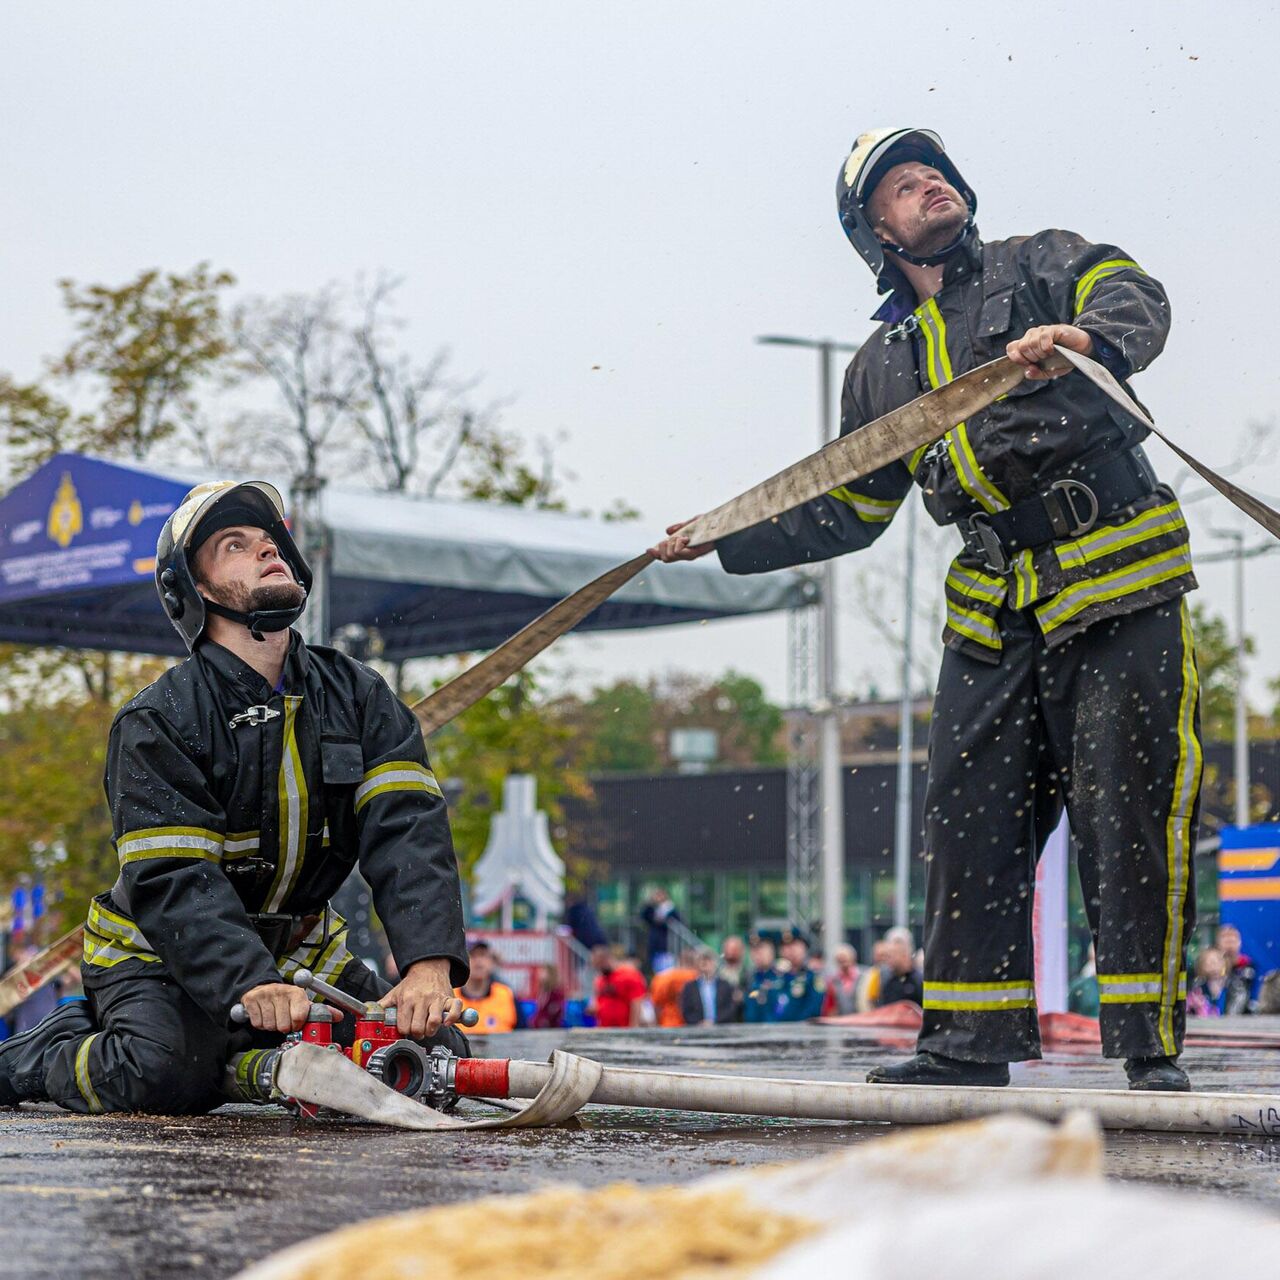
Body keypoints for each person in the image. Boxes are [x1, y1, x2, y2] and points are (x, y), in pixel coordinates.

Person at [652, 127, 1200, 1093]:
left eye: (933, 172)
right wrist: (726, 534)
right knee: (969, 819)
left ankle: (1147, 1047)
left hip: (1118, 578)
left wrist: (1087, 338)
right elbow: (849, 509)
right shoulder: (877, 368)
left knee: (1126, 812)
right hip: (991, 612)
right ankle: (967, 1045)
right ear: (874, 235)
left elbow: (1136, 296)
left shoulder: (1044, 263)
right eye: (903, 187)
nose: (928, 186)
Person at [0, 480, 470, 1115]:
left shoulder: (360, 697)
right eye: (235, 545)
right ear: (194, 591)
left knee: (436, 1058)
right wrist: (251, 983)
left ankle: (230, 1053)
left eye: (271, 541)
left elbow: (408, 831)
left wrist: (427, 967)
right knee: (165, 1074)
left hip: (299, 957)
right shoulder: (159, 720)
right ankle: (48, 1050)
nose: (268, 550)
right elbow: (174, 879)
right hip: (158, 953)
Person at [455, 941, 518, 1034]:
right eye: (473, 956)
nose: (478, 961)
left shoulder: (506, 994)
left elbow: (522, 1032)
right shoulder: (451, 996)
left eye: (483, 955)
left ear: (492, 962)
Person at [588, 945, 647, 1028]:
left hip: (623, 1028)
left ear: (606, 960)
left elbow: (636, 1002)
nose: (598, 969)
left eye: (599, 965)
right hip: (604, 1028)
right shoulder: (601, 979)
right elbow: (598, 1001)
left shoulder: (629, 975)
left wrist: (633, 1027)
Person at [775, 932, 826, 1021]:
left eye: (795, 945)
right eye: (786, 947)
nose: (791, 950)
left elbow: (814, 1009)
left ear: (805, 948)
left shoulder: (813, 977)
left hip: (802, 1031)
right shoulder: (776, 978)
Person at [680, 948, 738, 1025]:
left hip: (722, 1029)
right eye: (701, 960)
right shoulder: (689, 987)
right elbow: (686, 1011)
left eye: (708, 960)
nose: (705, 963)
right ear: (697, 964)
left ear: (714, 963)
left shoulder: (725, 985)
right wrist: (700, 1023)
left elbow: (730, 1008)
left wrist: (714, 1022)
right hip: (697, 1030)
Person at [650, 948, 699, 1028]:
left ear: (680, 960)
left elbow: (656, 1005)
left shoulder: (663, 977)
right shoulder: (699, 978)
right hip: (693, 1023)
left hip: (669, 1022)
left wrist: (657, 1023)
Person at [1215, 925, 1257, 1012]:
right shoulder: (1212, 967)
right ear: (1218, 944)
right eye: (1226, 941)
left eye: (1232, 941)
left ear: (1239, 943)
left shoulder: (1249, 967)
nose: (1229, 945)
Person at [876, 931, 924, 1008]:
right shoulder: (887, 981)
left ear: (904, 955)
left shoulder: (919, 981)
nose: (887, 960)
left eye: (891, 956)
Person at [743, 938, 784, 1024]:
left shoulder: (782, 977)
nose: (758, 954)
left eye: (762, 949)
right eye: (755, 950)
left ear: (772, 952)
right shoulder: (750, 978)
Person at [640, 889, 681, 973]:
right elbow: (644, 916)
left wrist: (663, 921)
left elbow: (676, 922)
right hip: (655, 945)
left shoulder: (671, 909)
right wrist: (650, 903)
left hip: (666, 945)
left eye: (660, 895)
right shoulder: (652, 909)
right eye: (657, 895)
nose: (658, 898)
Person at [1186, 948, 1228, 1018]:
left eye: (1217, 961)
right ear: (1201, 966)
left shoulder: (1233, 984)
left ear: (1224, 963)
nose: (1213, 966)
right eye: (1209, 963)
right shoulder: (1197, 987)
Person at [822, 945, 861, 1017]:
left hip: (860, 1019)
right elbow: (830, 1006)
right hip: (840, 1021)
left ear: (853, 958)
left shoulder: (862, 977)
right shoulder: (833, 980)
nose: (842, 960)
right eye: (840, 959)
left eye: (845, 958)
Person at [530, 963, 567, 1030]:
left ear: (550, 974)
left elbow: (555, 1010)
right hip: (539, 1027)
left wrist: (544, 1021)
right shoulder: (543, 989)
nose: (540, 975)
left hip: (551, 1028)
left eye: (543, 972)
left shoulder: (556, 991)